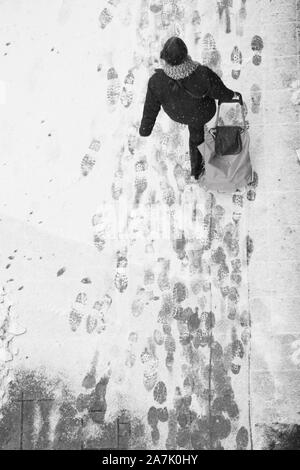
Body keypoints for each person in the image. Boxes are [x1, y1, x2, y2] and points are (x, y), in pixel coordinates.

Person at [139, 37, 242, 180]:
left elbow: (150, 107)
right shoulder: (202, 73)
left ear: (165, 58)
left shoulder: (156, 81)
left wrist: (145, 128)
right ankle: (207, 164)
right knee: (199, 130)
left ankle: (196, 172)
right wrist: (233, 95)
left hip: (177, 114)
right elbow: (221, 92)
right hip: (202, 112)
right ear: (185, 55)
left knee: (195, 132)